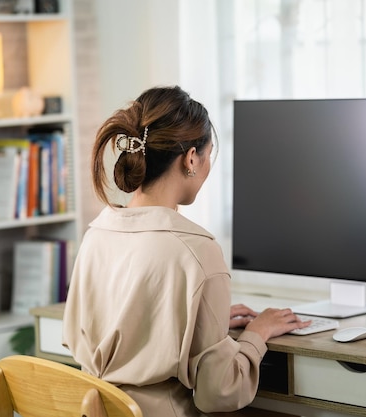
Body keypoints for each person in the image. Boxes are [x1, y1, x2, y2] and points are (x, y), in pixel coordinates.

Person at [62, 85, 310, 417]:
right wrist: (256, 334)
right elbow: (218, 392)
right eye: (208, 156)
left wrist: (202, 323)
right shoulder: (197, 251)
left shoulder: (96, 234)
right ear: (191, 158)